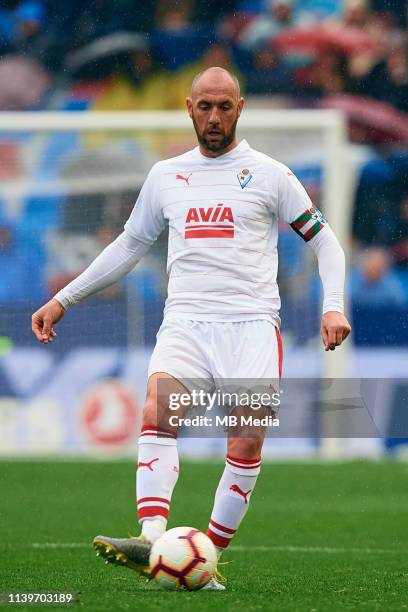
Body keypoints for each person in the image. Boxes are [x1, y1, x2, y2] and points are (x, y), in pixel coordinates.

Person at [31, 67, 351, 590]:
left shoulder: (271, 174)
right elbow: (130, 245)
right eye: (205, 106)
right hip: (186, 323)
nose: (214, 117)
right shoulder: (165, 176)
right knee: (158, 407)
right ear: (189, 108)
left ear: (240, 108)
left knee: (246, 443)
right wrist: (65, 298)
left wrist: (332, 306)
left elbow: (325, 243)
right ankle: (153, 537)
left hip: (251, 326)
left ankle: (208, 556)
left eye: (225, 106)